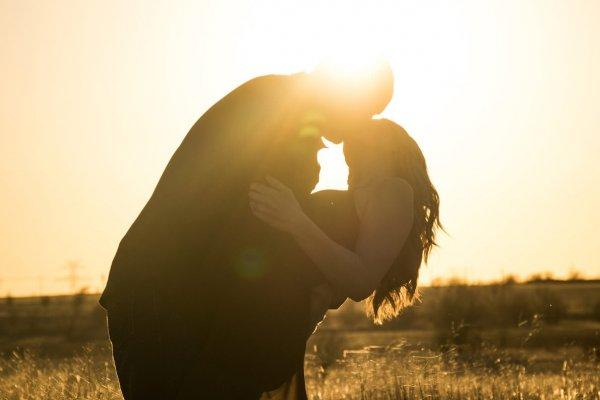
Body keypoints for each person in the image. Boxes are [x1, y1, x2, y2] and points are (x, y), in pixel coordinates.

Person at [99, 62, 394, 399]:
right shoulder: (278, 111)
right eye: (363, 111)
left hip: (190, 296)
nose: (352, 132)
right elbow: (266, 226)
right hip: (166, 292)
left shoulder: (287, 110)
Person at [249, 119, 442, 399]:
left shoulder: (395, 189)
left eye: (364, 141)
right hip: (267, 312)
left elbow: (360, 280)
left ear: (388, 149)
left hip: (276, 322)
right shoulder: (361, 192)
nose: (351, 144)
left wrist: (294, 220)